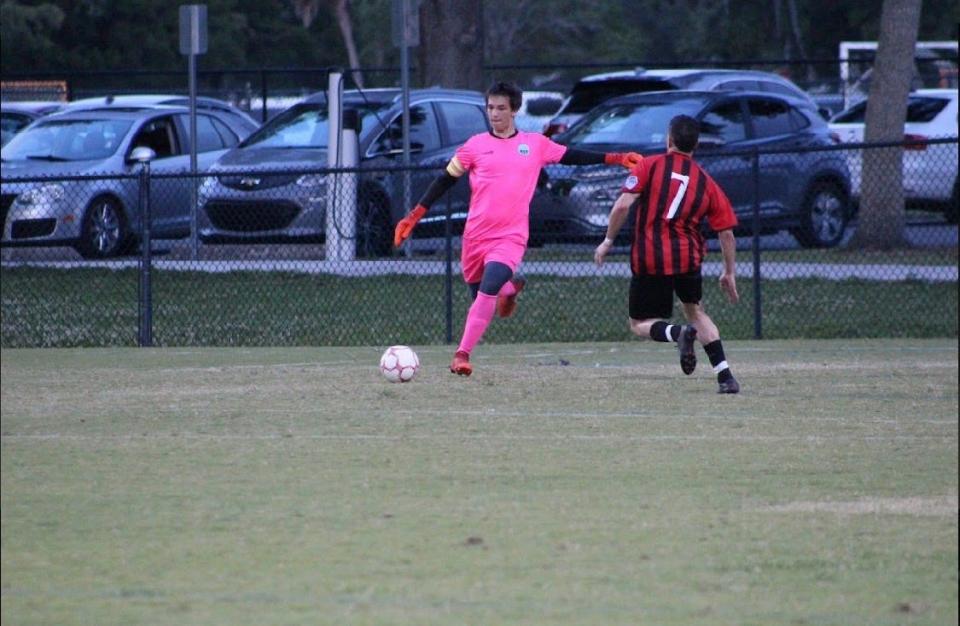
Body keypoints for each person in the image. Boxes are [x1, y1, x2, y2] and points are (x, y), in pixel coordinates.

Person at [394, 81, 642, 376]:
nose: (494, 114)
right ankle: (508, 290)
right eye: (490, 108)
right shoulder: (474, 146)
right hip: (475, 238)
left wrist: (615, 158)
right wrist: (415, 214)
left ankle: (461, 355)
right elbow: (445, 180)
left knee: (487, 291)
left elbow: (571, 154)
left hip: (510, 237)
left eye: (501, 108)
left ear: (514, 110)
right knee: (480, 297)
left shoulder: (534, 144)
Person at [593, 114, 741, 394]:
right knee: (695, 311)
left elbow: (623, 205)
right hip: (688, 257)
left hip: (650, 256)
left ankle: (678, 334)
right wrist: (729, 271)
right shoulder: (706, 181)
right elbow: (726, 232)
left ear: (669, 140)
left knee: (638, 323)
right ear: (695, 145)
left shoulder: (650, 165)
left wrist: (608, 241)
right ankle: (726, 377)